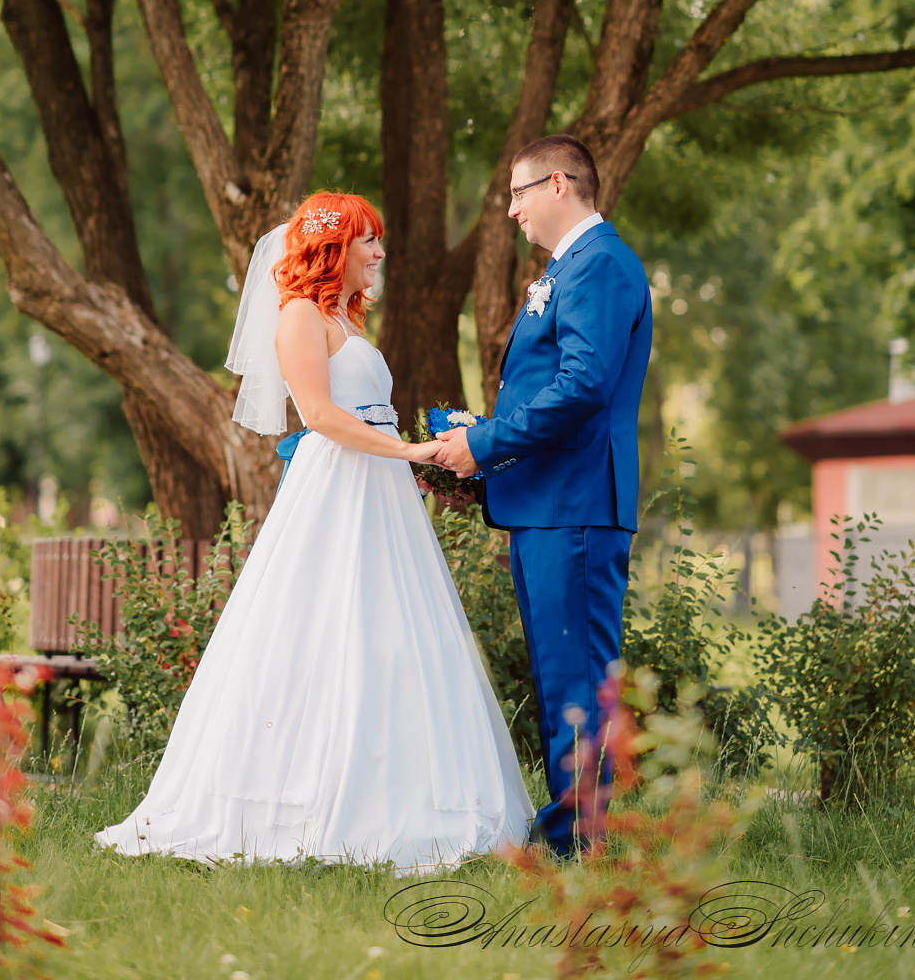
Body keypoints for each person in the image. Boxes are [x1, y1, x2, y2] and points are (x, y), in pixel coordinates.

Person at [95, 192, 531, 872]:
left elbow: (369, 416)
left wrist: (412, 465)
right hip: (336, 490)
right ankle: (304, 805)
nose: (381, 254)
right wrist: (412, 453)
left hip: (380, 490)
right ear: (333, 248)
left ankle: (409, 798)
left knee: (392, 636)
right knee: (325, 631)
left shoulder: (345, 321)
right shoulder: (299, 315)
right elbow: (322, 416)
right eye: (369, 242)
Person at [434, 136, 651, 857]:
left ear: (558, 184)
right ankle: (568, 833)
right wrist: (485, 459)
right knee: (561, 674)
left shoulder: (601, 265)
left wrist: (488, 444)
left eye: (518, 192)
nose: (510, 209)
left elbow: (584, 387)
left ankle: (574, 845)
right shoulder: (572, 267)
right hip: (548, 503)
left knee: (578, 679)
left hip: (578, 505)